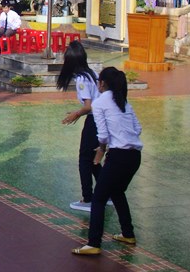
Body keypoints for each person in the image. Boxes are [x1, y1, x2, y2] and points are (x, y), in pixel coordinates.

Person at [72, 67, 143, 256]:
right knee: (117, 192)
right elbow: (138, 128)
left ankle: (93, 243)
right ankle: (128, 234)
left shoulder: (100, 102)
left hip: (118, 156)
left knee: (99, 199)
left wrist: (103, 148)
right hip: (134, 156)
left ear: (102, 83)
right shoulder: (123, 101)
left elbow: (102, 135)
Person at [57, 41, 101, 212]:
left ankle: (87, 198)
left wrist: (75, 114)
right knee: (93, 159)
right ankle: (109, 193)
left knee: (84, 159)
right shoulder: (92, 73)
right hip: (100, 119)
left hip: (94, 120)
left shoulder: (82, 79)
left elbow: (88, 106)